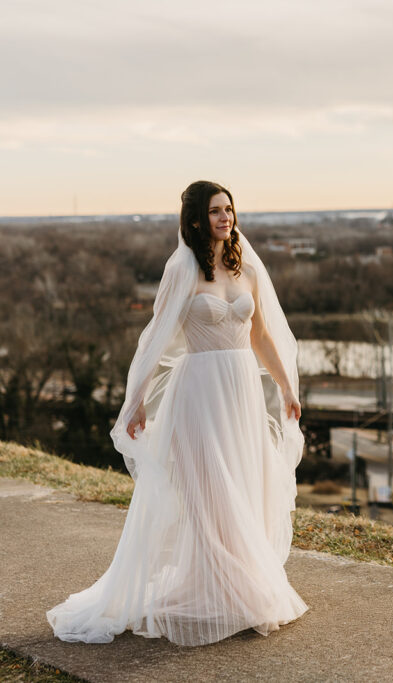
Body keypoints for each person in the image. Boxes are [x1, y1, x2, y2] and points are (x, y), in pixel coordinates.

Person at [47, 180, 309, 646]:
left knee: (243, 488)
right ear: (195, 219)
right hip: (199, 394)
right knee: (210, 494)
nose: (226, 218)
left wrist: (287, 386)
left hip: (241, 394)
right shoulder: (182, 269)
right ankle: (228, 591)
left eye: (229, 209)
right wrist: (137, 399)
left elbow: (262, 337)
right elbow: (155, 338)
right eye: (215, 211)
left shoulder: (246, 268)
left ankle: (234, 588)